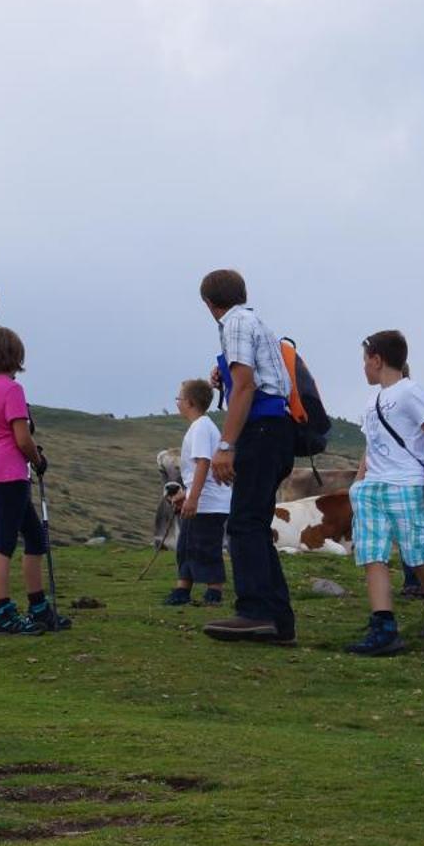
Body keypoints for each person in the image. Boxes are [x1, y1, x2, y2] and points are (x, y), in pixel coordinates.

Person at [198, 269, 296, 644]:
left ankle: (254, 611)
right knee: (253, 523)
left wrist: (226, 445)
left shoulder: (234, 323)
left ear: (209, 303)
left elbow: (245, 386)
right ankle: (278, 621)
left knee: (242, 524)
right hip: (277, 430)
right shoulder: (253, 321)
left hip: (262, 430)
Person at [346, 330, 424, 656]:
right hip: (373, 487)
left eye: (366, 359)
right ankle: (383, 625)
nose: (364, 367)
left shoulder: (409, 392)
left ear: (377, 359)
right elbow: (372, 446)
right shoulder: (372, 401)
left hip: (407, 483)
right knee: (372, 554)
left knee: (418, 555)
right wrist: (359, 482)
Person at [0, 327, 70, 635]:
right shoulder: (12, 390)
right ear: (16, 356)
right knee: (3, 543)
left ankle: (39, 607)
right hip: (10, 472)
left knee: (35, 537)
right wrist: (37, 460)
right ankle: (1, 612)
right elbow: (22, 438)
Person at [164, 378, 229, 607]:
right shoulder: (200, 426)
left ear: (189, 402)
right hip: (202, 499)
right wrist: (187, 494)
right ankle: (183, 588)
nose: (177, 402)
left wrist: (193, 498)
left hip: (209, 503)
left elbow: (203, 463)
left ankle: (214, 591)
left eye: (179, 398)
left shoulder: (201, 427)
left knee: (206, 545)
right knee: (187, 544)